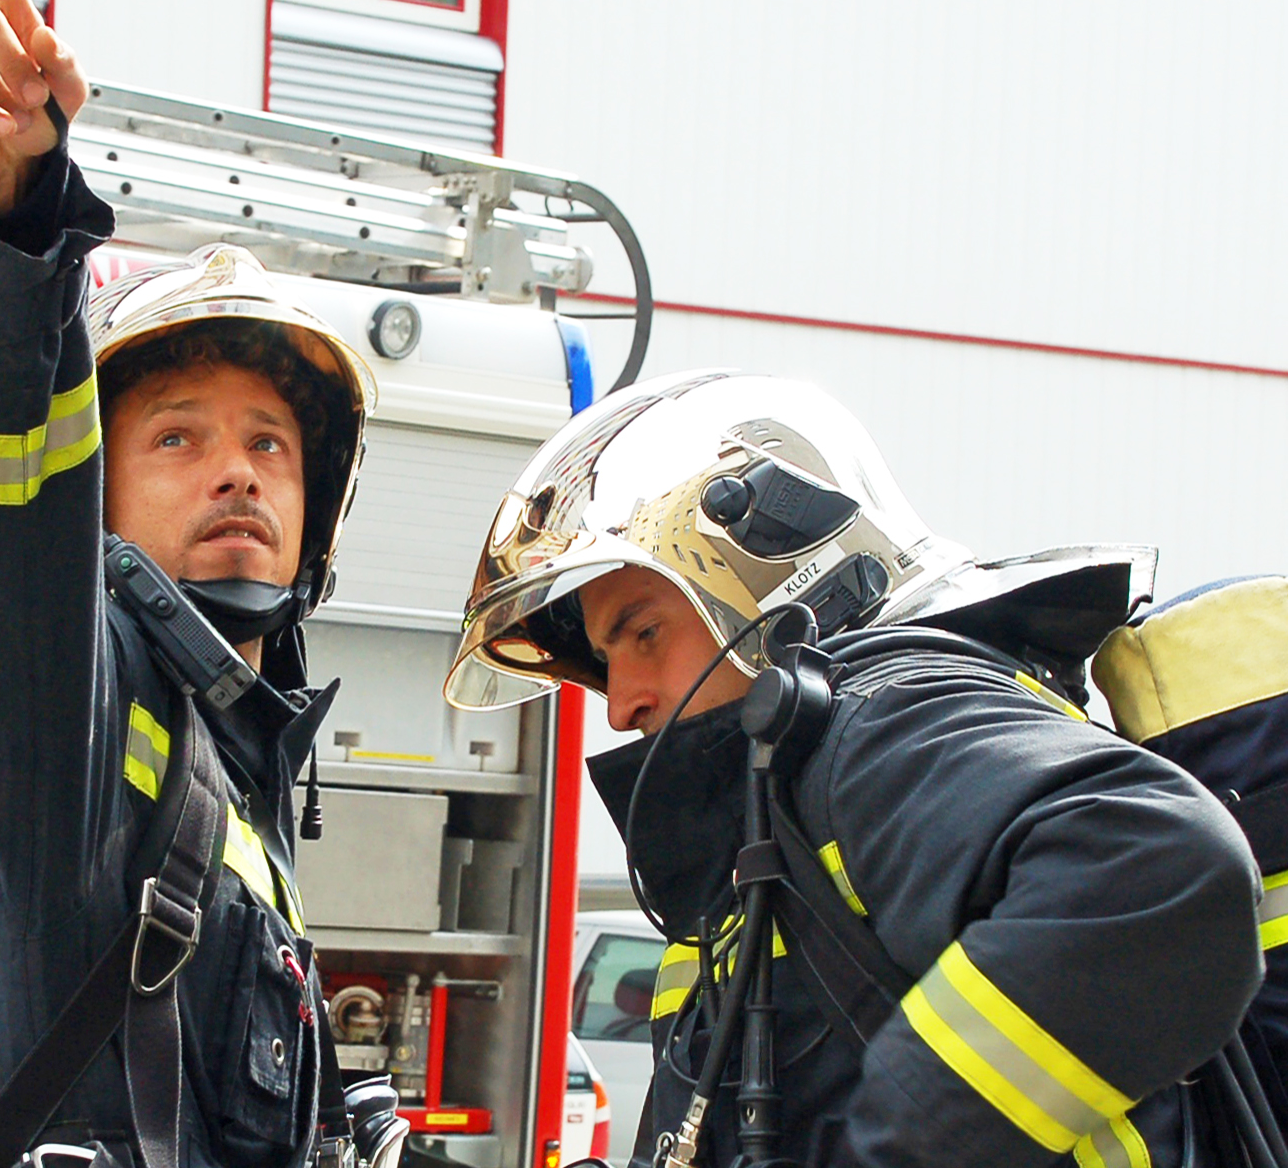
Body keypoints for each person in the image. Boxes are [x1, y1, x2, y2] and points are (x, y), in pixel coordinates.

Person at [0, 0, 377, 1168]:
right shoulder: (72, 709)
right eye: (177, 436)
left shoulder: (231, 752)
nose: (238, 472)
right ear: (93, 487)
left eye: (269, 441)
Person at [445, 369, 1262, 1168]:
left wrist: (895, 1140)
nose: (618, 703)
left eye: (644, 632)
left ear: (779, 585)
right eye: (604, 661)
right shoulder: (774, 809)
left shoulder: (883, 714)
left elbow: (1154, 864)